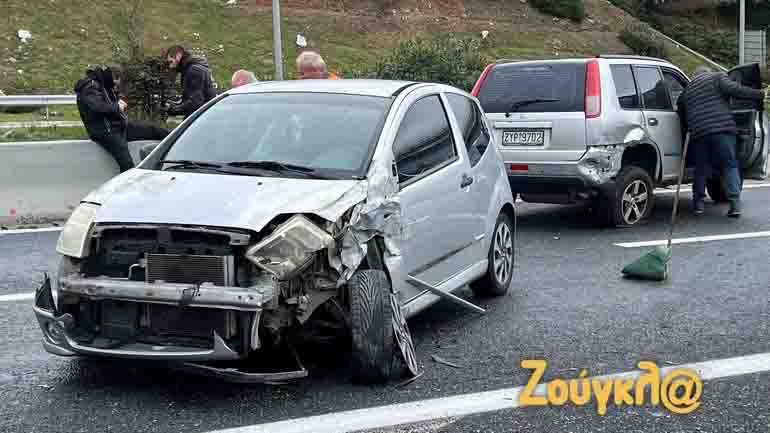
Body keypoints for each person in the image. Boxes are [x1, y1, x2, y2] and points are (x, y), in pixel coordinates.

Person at [677, 66, 767, 217]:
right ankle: (735, 205)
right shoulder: (717, 77)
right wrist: (759, 94)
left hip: (699, 133)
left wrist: (689, 127)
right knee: (729, 165)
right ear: (707, 72)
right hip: (722, 130)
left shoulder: (687, 89)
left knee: (701, 168)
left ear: (696, 76)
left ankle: (698, 204)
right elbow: (736, 90)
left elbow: (680, 109)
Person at [75, 65, 170, 172]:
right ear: (114, 77)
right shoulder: (90, 87)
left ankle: (178, 136)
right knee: (126, 163)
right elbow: (99, 107)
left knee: (153, 130)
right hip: (105, 132)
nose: (116, 86)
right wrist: (117, 106)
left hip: (117, 126)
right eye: (117, 83)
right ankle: (127, 185)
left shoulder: (104, 84)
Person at [164, 44, 216, 118]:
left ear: (178, 56)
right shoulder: (191, 68)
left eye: (171, 62)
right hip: (204, 116)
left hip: (200, 118)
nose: (170, 66)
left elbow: (196, 102)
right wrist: (175, 105)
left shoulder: (193, 70)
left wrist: (173, 109)